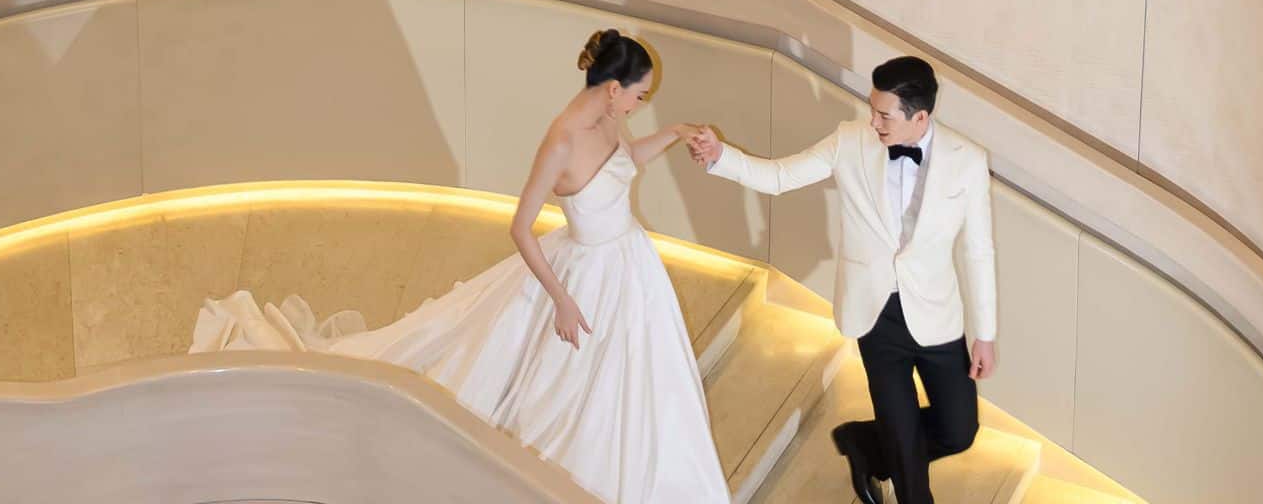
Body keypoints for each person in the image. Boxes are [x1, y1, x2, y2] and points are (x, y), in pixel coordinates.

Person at [190, 29, 732, 504]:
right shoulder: (563, 139)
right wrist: (561, 300)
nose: (641, 104)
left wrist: (678, 132)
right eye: (641, 94)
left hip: (629, 266)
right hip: (585, 276)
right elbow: (521, 227)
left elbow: (623, 167)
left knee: (644, 378)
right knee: (566, 396)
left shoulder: (611, 121)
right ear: (615, 89)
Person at [688, 56, 996, 504]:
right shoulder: (849, 141)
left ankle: (865, 444)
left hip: (937, 316)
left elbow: (978, 252)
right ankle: (894, 453)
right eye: (871, 109)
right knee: (909, 463)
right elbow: (779, 177)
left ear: (920, 117)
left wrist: (985, 335)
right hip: (875, 316)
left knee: (959, 430)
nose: (872, 121)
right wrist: (721, 157)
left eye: (884, 114)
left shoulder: (967, 161)